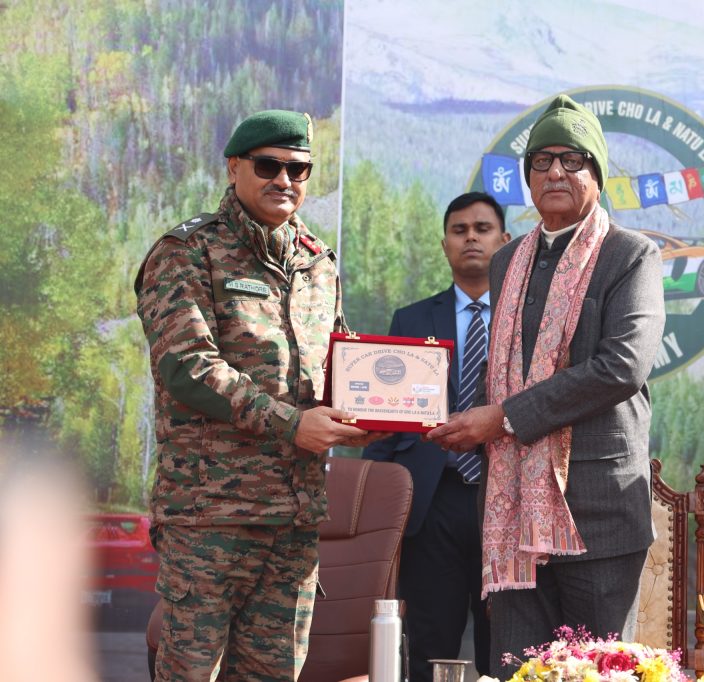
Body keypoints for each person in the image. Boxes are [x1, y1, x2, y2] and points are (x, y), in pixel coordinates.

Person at [135, 109, 386, 681]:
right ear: (234, 168)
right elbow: (187, 366)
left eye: (298, 169)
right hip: (209, 515)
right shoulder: (187, 251)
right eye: (268, 166)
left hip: (294, 518)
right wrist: (292, 425)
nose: (285, 180)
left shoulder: (318, 262)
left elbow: (340, 364)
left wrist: (366, 413)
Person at [427, 94, 666, 674]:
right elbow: (499, 368)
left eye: (572, 159)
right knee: (518, 669)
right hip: (512, 513)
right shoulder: (508, 260)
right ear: (528, 177)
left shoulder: (631, 255)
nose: (555, 171)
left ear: (596, 173)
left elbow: (621, 366)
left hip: (598, 512)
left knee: (595, 670)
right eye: (541, 160)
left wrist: (502, 418)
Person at [362, 191, 509, 681]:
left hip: (506, 500)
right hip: (431, 502)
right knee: (428, 645)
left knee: (505, 647)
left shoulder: (526, 321)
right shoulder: (411, 320)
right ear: (445, 244)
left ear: (505, 241)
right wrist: (380, 508)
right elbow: (385, 422)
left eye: (483, 229)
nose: (471, 238)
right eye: (459, 230)